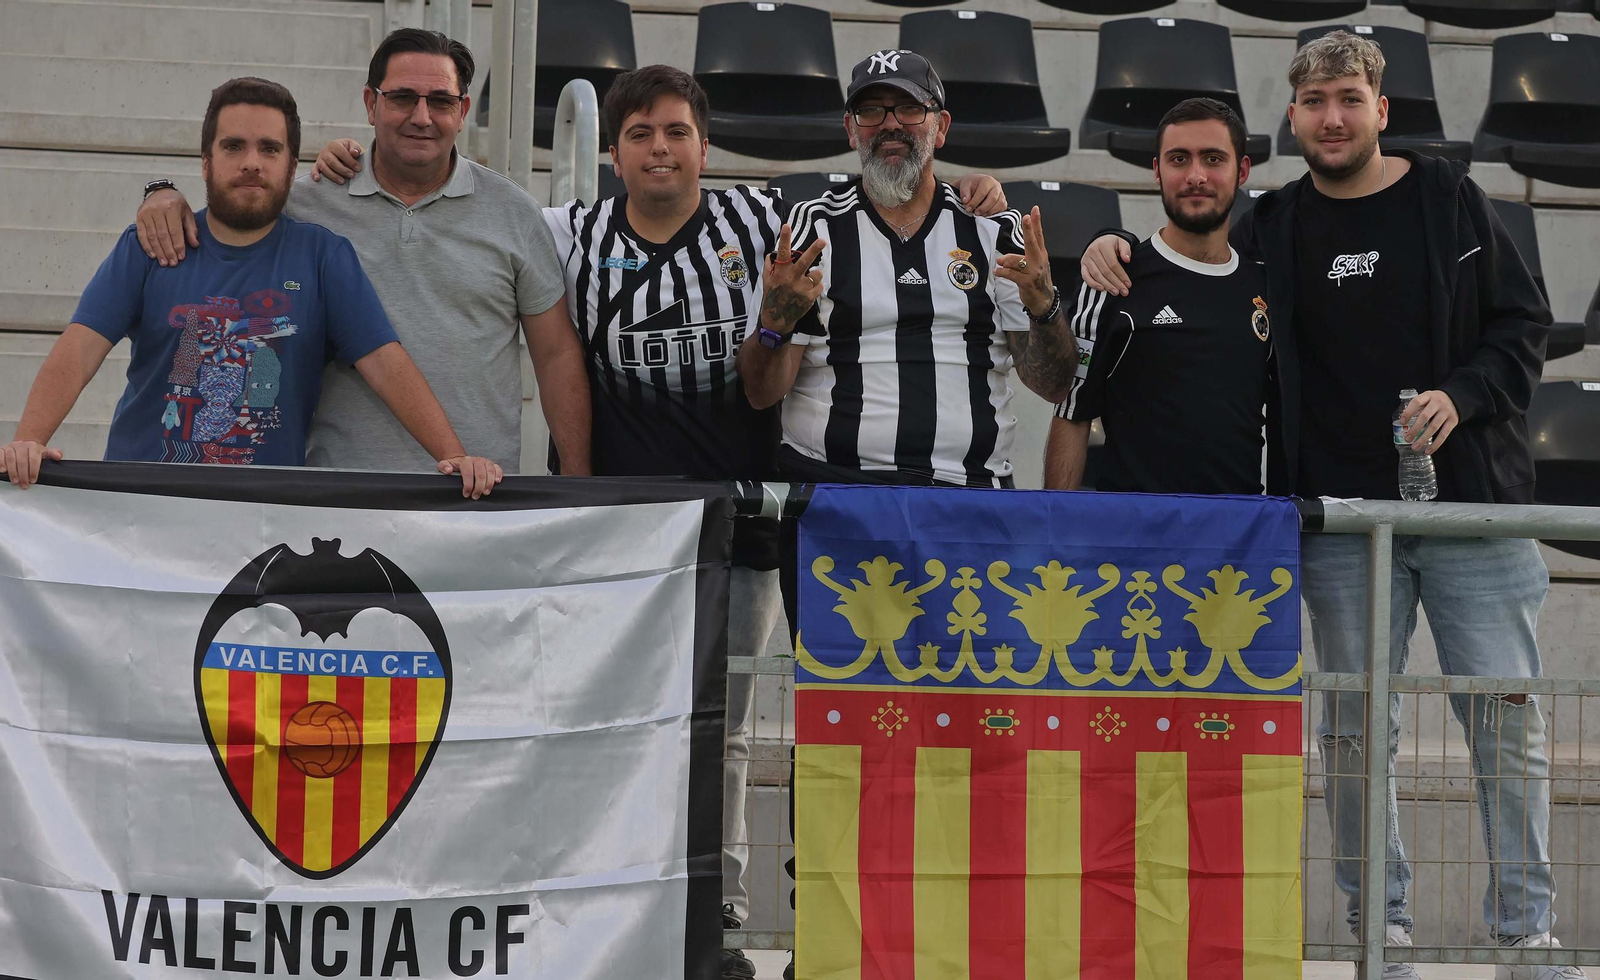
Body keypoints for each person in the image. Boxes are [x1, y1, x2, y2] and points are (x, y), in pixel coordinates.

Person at [307, 62, 1012, 980]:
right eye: (640, 135)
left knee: (737, 723)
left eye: (677, 132)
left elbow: (874, 191)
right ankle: (607, 909)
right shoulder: (569, 230)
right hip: (621, 528)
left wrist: (970, 186)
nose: (660, 149)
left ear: (704, 146)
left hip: (744, 520)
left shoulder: (765, 222)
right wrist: (336, 162)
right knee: (614, 722)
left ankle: (719, 915)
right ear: (613, 153)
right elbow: (464, 216)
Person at [1079, 32, 1570, 980]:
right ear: (1292, 117)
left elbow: (1525, 326)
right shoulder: (1273, 225)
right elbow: (1193, 261)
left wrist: (1461, 396)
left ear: (1382, 109)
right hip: (1340, 524)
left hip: (1471, 515)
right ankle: (1376, 928)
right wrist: (1113, 244)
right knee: (1353, 733)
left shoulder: (1451, 199)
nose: (1333, 117)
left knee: (1508, 725)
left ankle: (1525, 934)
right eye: (1315, 102)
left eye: (1350, 98)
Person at [0, 78, 498, 497]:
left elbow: (386, 364)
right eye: (233, 146)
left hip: (260, 520)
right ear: (205, 161)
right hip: (140, 509)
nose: (252, 162)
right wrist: (28, 442)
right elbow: (79, 351)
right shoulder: (151, 246)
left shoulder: (324, 257)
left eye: (270, 148)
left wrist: (453, 456)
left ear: (290, 165)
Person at [135, 29, 590, 477]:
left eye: (441, 101)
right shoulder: (306, 205)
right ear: (371, 104)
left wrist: (577, 478)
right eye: (402, 98)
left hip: (476, 496)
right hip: (341, 498)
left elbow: (555, 356)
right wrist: (162, 193)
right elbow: (226, 223)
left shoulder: (515, 213)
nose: (422, 116)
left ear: (464, 110)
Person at [1045, 97, 1273, 495]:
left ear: (1242, 171)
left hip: (1239, 537)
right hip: (1136, 539)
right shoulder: (1113, 279)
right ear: (1157, 170)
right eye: (1179, 159)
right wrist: (1054, 530)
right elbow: (1071, 415)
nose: (1196, 176)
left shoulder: (1266, 288)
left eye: (1214, 159)